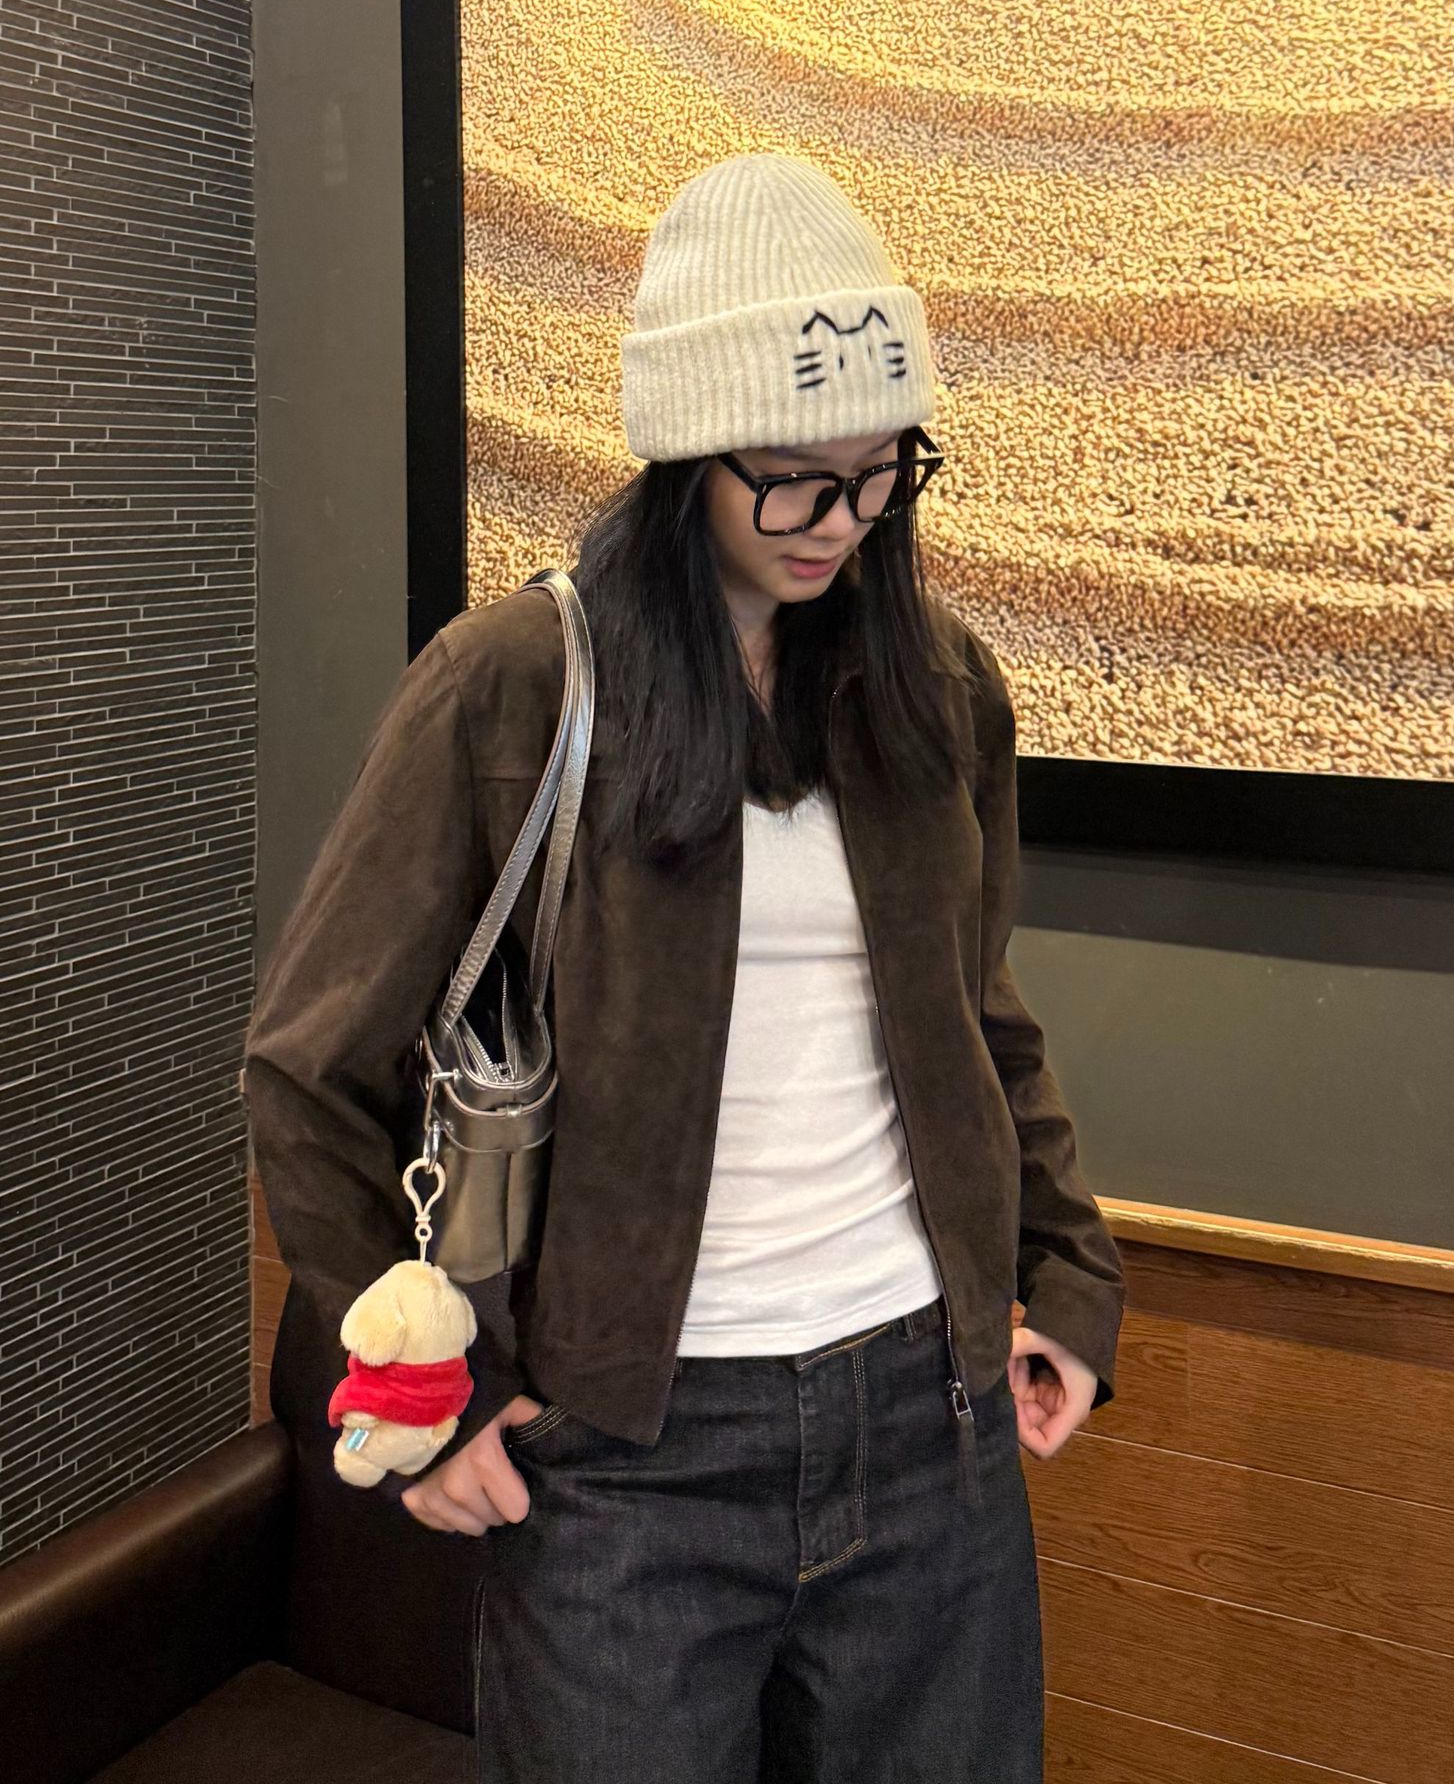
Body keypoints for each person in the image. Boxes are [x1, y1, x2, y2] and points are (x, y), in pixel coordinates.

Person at [243, 151, 1126, 1783]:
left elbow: (979, 1016)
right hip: (624, 1462)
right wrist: (420, 1408)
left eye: (881, 473)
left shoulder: (939, 684)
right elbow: (308, 1064)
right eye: (792, 480)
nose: (842, 523)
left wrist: (1067, 1280)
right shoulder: (513, 687)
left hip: (928, 1427)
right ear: (685, 454)